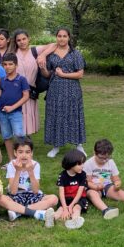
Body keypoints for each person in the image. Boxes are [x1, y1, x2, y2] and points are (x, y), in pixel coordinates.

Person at [35, 28, 86, 158]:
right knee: (56, 116)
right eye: (59, 36)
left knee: (74, 115)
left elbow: (80, 74)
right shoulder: (51, 54)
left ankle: (79, 145)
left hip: (72, 90)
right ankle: (56, 146)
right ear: (56, 37)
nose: (61, 38)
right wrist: (43, 68)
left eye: (64, 36)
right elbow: (47, 74)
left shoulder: (75, 54)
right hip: (55, 90)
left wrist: (63, 74)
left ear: (69, 38)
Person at [0, 137, 57, 226]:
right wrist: (18, 171)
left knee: (54, 199)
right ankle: (38, 214)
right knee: (1, 199)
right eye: (20, 152)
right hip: (17, 196)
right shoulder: (11, 165)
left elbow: (36, 191)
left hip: (32, 195)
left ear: (32, 153)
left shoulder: (35, 165)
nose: (24, 155)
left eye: (27, 152)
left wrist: (30, 171)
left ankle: (18, 212)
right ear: (15, 153)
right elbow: (13, 191)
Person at [83, 139, 124, 220]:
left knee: (118, 192)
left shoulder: (111, 162)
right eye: (101, 158)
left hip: (107, 186)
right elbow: (87, 182)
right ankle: (105, 210)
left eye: (107, 158)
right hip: (94, 187)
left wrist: (118, 183)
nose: (104, 160)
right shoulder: (88, 164)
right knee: (92, 194)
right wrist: (96, 187)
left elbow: (116, 178)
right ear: (94, 152)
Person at [0, 53, 30, 162]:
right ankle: (12, 161)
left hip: (15, 113)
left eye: (10, 64)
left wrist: (12, 107)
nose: (8, 67)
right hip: (2, 113)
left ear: (16, 65)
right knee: (6, 137)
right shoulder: (2, 80)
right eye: (5, 64)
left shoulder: (21, 79)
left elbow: (26, 96)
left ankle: (23, 160)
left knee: (19, 136)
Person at [10, 30, 41, 141]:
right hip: (16, 89)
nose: (22, 42)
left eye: (24, 39)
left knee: (28, 113)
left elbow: (53, 45)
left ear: (28, 39)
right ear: (16, 42)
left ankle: (27, 137)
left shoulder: (35, 51)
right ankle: (19, 137)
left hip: (31, 89)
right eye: (19, 40)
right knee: (19, 113)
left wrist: (43, 56)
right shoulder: (13, 54)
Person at [55, 149, 89, 229]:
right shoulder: (62, 176)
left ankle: (74, 221)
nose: (82, 166)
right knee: (60, 209)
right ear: (71, 164)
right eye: (80, 164)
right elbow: (61, 194)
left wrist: (71, 206)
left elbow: (79, 193)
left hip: (79, 199)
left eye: (83, 163)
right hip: (66, 199)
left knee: (76, 209)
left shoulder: (83, 175)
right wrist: (64, 208)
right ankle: (52, 219)